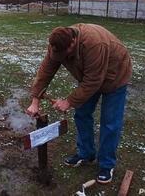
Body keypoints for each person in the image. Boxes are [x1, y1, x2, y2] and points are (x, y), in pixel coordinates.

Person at [26, 23, 132, 184]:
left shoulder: (93, 43)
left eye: (64, 53)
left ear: (73, 42)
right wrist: (35, 101)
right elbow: (46, 70)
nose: (60, 57)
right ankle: (86, 153)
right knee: (82, 114)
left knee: (110, 122)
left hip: (115, 76)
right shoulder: (58, 44)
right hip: (89, 76)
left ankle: (106, 164)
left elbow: (93, 81)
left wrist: (68, 101)